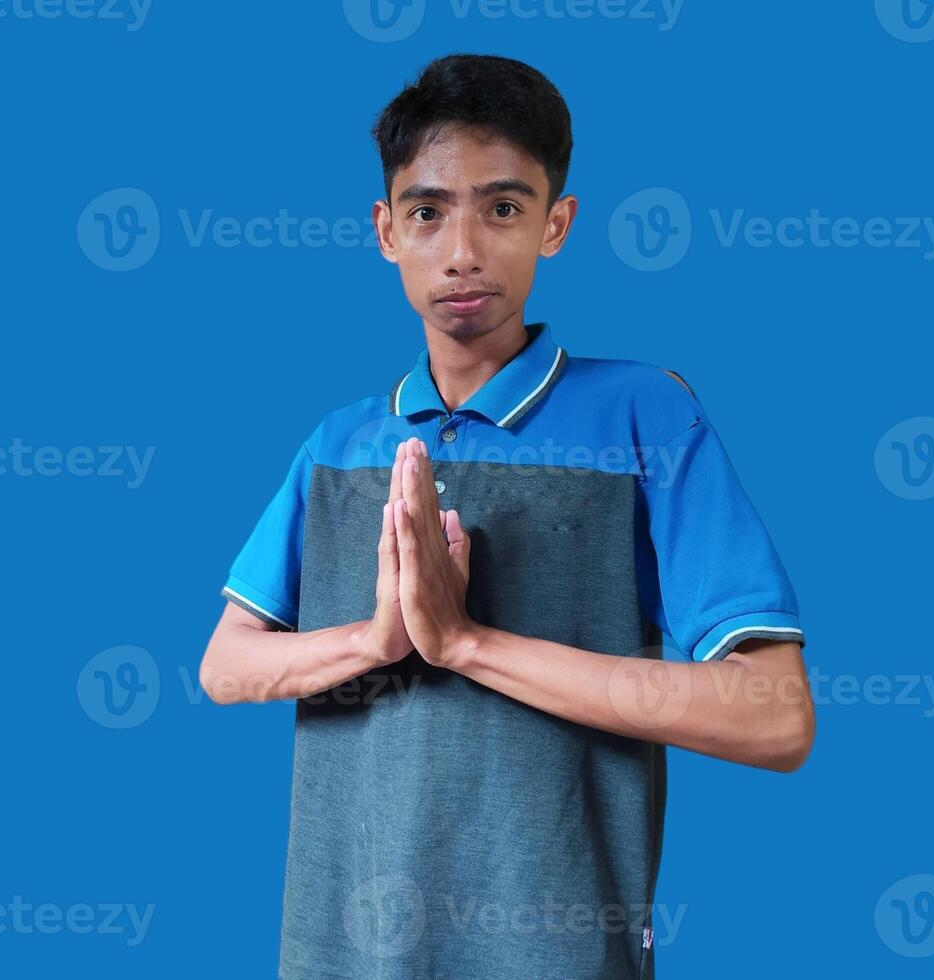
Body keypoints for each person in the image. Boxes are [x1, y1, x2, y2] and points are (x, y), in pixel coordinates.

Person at [200, 52, 814, 980]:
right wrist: (377, 640)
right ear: (385, 230)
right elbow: (225, 667)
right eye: (427, 211)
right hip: (341, 955)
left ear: (555, 224)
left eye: (503, 207)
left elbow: (775, 716)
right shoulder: (337, 444)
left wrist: (466, 643)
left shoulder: (644, 417)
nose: (462, 252)